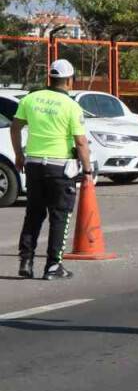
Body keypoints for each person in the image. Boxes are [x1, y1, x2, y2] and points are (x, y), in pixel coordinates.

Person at [10, 59, 93, 280]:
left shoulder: (31, 98)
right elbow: (81, 142)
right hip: (60, 168)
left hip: (34, 165)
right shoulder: (71, 106)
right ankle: (53, 266)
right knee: (60, 216)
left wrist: (19, 154)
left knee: (34, 214)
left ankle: (26, 261)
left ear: (50, 78)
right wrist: (87, 171)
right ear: (69, 80)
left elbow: (15, 127)